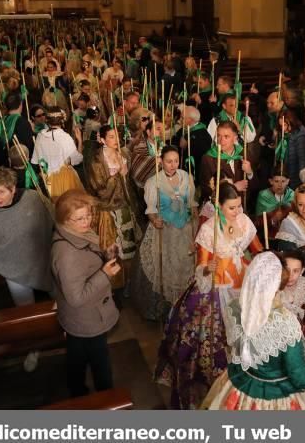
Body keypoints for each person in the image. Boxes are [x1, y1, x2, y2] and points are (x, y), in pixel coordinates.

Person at [155, 182, 264, 410]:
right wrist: (208, 268)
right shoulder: (208, 230)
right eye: (232, 208)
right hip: (217, 285)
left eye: (239, 206)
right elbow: (201, 267)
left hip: (242, 279)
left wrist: (265, 262)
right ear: (218, 206)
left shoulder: (244, 221)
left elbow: (258, 249)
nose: (237, 212)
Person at [201, 252, 305, 410]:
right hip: (275, 396)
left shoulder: (234, 307)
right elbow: (301, 378)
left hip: (241, 386)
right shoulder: (286, 323)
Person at [51, 189, 121, 397]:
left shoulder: (75, 233)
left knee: (77, 356)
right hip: (88, 317)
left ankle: (77, 390)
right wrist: (105, 274)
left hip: (79, 319)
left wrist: (105, 255)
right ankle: (107, 400)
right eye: (80, 218)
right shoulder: (67, 254)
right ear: (65, 219)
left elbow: (87, 258)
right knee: (100, 363)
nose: (87, 221)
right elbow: (76, 297)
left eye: (89, 214)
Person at [130, 145, 197, 321]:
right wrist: (154, 220)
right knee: (166, 264)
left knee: (186, 264)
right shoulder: (154, 182)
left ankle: (185, 301)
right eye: (169, 161)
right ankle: (168, 306)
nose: (173, 165)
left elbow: (192, 205)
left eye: (176, 161)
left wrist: (196, 228)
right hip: (164, 229)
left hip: (185, 228)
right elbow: (151, 209)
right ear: (161, 161)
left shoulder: (186, 177)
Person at [0, 167, 54, 305]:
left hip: (43, 259)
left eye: (1, 192)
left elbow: (53, 217)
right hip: (13, 268)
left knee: (60, 296)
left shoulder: (32, 198)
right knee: (25, 307)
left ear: (13, 189)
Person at [84, 125, 141, 264]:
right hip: (108, 205)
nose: (116, 139)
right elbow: (98, 187)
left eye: (117, 135)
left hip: (126, 201)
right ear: (102, 140)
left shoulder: (123, 153)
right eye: (111, 137)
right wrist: (117, 176)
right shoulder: (97, 160)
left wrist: (125, 176)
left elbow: (128, 182)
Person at [31, 107, 84, 200]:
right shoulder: (65, 137)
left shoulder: (40, 136)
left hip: (48, 179)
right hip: (66, 179)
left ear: (47, 120)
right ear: (62, 120)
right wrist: (79, 140)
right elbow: (78, 159)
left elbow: (37, 161)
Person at [199, 121, 252, 203]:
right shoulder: (208, 158)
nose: (221, 140)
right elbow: (206, 189)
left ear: (235, 138)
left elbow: (255, 186)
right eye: (219, 136)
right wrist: (233, 187)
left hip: (243, 205)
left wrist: (249, 173)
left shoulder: (243, 153)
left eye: (226, 136)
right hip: (220, 207)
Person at [173, 106, 212, 185]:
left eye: (183, 117)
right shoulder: (184, 129)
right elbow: (175, 140)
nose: (180, 119)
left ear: (190, 120)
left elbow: (201, 155)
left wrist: (187, 146)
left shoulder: (203, 134)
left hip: (194, 175)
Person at [255, 170, 294, 237]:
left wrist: (285, 210)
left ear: (287, 181)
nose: (280, 185)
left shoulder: (292, 195)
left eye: (283, 181)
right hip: (268, 236)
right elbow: (258, 223)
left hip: (289, 235)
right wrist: (273, 220)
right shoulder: (264, 195)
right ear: (271, 181)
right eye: (276, 181)